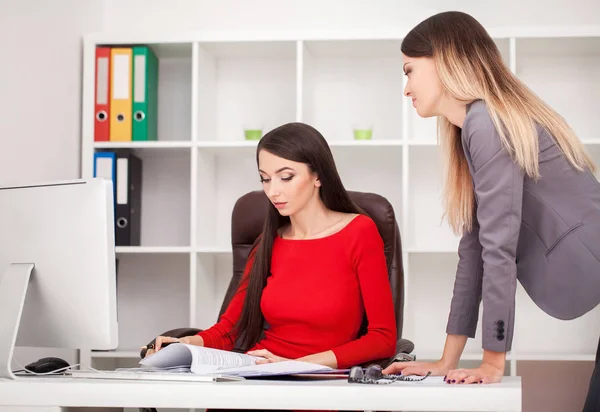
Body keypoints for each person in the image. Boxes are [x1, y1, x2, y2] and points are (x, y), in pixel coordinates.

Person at [382, 10, 600, 411]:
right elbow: (475, 251)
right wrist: (447, 361)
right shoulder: (474, 128)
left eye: (410, 71)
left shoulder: (487, 123)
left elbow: (498, 246)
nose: (406, 88)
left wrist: (492, 361)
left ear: (445, 60)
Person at [146, 122, 397, 373]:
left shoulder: (359, 232)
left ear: (318, 175)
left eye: (286, 177)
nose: (273, 191)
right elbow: (230, 330)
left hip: (319, 381)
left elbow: (383, 339)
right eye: (265, 179)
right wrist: (184, 344)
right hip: (258, 373)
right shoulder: (268, 244)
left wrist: (297, 365)